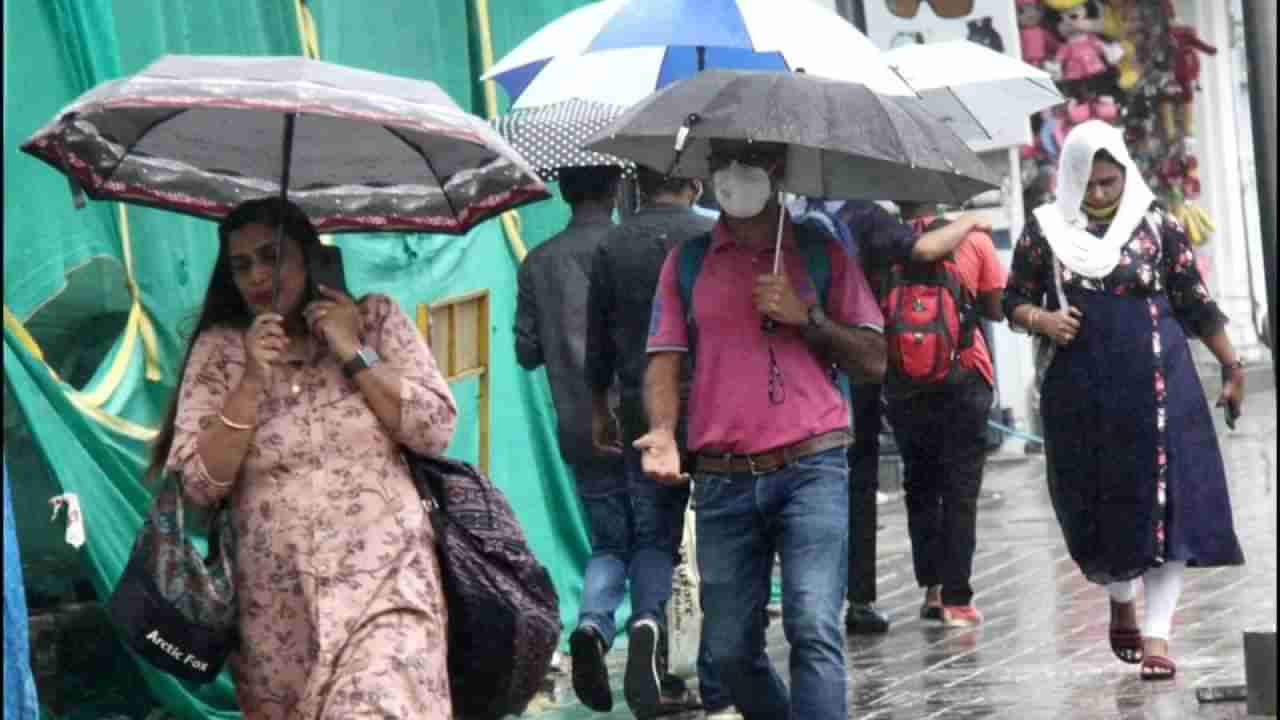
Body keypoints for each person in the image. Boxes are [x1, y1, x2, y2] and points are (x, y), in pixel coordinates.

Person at [148, 197, 458, 718]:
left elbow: (434, 430)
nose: (258, 276)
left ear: (309, 258)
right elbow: (199, 486)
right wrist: (250, 380)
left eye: (273, 256)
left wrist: (352, 349)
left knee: (374, 705)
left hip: (389, 585)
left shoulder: (375, 319)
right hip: (278, 619)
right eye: (242, 265)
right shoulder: (221, 350)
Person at [638, 139, 886, 720]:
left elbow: (874, 359)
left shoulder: (821, 252)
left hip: (812, 465)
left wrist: (809, 318)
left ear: (778, 171)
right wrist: (663, 431)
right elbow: (664, 357)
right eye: (719, 162)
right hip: (723, 480)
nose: (732, 175)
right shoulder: (688, 261)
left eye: (747, 161)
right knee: (727, 654)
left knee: (811, 623)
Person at [1003, 120, 1246, 680]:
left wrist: (1232, 366)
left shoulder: (1157, 225)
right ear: (1070, 180)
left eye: (1110, 182)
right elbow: (1010, 298)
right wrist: (1043, 317)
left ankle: (1159, 635)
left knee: (1170, 509)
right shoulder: (1044, 232)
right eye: (1090, 185)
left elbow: (1194, 301)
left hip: (1163, 390)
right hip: (1083, 396)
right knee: (1102, 505)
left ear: (1125, 175)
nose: (1102, 195)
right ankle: (1119, 597)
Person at [792, 198, 993, 635]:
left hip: (794, 368)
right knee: (859, 480)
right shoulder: (866, 216)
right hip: (855, 364)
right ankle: (861, 599)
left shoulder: (785, 220)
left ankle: (814, 602)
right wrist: (969, 222)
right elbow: (921, 250)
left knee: (802, 487)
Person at [585, 166, 730, 718]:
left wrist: (600, 407)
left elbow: (597, 338)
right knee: (722, 538)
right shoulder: (713, 234)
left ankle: (646, 621)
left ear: (636, 186)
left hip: (642, 406)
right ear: (692, 183)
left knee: (652, 538)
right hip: (716, 408)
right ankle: (718, 682)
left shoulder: (613, 243)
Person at [515, 165, 648, 712]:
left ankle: (593, 624)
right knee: (657, 539)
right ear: (616, 189)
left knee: (608, 540)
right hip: (643, 417)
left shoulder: (538, 261)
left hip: (577, 425)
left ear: (563, 193)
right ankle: (649, 628)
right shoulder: (632, 248)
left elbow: (526, 351)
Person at [880, 201, 1006, 627]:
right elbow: (996, 308)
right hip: (965, 375)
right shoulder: (974, 240)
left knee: (920, 484)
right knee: (961, 487)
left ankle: (932, 589)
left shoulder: (882, 242)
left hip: (903, 381)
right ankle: (958, 598)